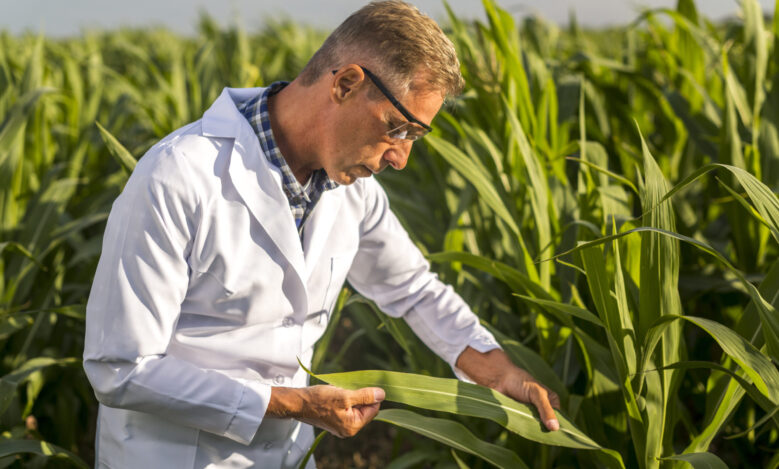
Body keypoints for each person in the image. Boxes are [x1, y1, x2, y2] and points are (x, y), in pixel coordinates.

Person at [83, 1, 561, 467]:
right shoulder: (179, 175)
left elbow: (412, 289)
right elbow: (121, 367)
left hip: (289, 453)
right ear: (347, 84)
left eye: (415, 136)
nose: (400, 158)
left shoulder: (351, 190)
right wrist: (295, 405)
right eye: (398, 128)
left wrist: (499, 373)